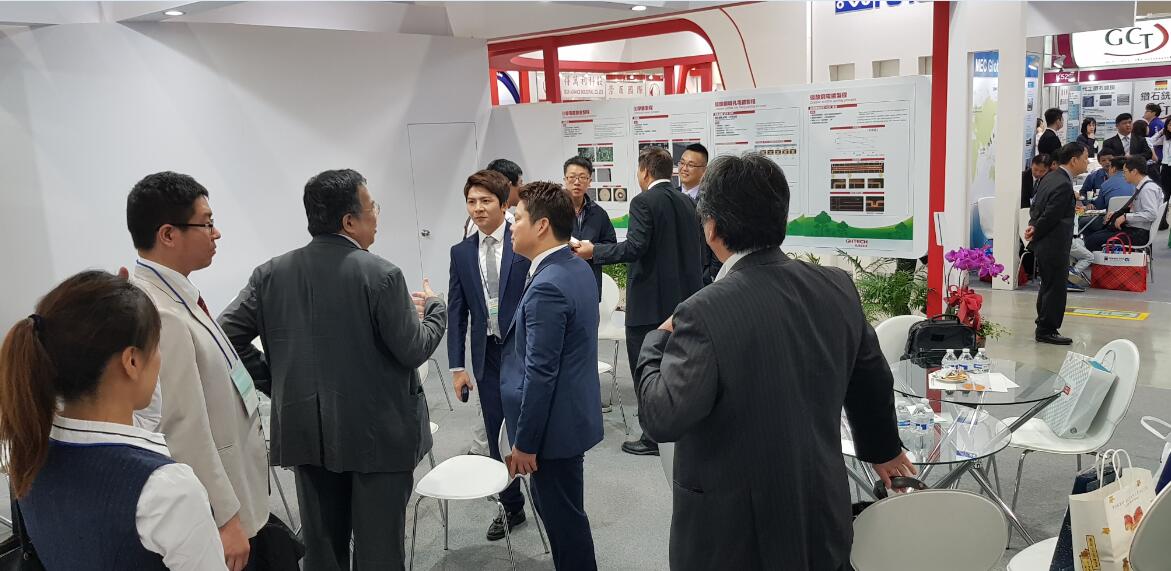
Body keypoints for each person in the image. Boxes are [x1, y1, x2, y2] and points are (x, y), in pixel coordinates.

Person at [634, 153, 913, 571]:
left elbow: (662, 417)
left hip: (731, 533)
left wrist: (655, 341)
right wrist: (884, 450)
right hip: (820, 508)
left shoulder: (702, 311)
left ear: (711, 227)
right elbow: (871, 379)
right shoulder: (836, 286)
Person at [218, 169, 447, 570]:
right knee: (378, 552)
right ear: (349, 221)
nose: (376, 215)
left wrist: (277, 381)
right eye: (372, 207)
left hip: (307, 433)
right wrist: (435, 309)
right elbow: (413, 349)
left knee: (323, 550)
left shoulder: (270, 274)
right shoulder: (382, 275)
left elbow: (224, 336)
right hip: (378, 436)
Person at [0, 270, 227, 570]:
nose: (160, 358)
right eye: (156, 346)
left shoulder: (28, 448)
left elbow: (142, 417)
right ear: (131, 361)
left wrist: (128, 309)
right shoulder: (168, 491)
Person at [125, 171, 268, 571]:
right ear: (168, 234)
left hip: (238, 477)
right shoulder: (161, 313)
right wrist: (224, 518)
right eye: (206, 223)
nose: (216, 233)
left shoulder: (178, 294)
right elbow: (184, 428)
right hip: (223, 502)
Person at [572, 147, 703, 457]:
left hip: (648, 305)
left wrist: (594, 252)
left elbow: (635, 247)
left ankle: (653, 437)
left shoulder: (644, 201)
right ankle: (677, 430)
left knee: (646, 370)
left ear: (644, 171)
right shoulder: (687, 202)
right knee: (676, 369)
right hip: (683, 301)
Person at [502, 181, 603, 570]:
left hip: (553, 429)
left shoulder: (548, 285)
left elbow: (541, 373)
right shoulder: (574, 266)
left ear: (542, 225)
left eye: (518, 218)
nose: (512, 225)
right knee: (565, 516)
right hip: (571, 415)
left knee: (564, 525)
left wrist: (525, 443)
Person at [447, 169, 531, 541]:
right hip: (489, 355)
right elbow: (457, 310)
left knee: (533, 424)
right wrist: (457, 366)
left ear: (502, 202)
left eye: (486, 201)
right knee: (497, 431)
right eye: (471, 202)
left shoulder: (522, 239)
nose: (478, 208)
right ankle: (511, 505)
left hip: (525, 350)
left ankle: (546, 496)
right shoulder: (462, 252)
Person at [1027, 142, 1088, 345]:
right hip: (1054, 243)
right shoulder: (1062, 183)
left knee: (1048, 285)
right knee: (1055, 288)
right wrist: (1036, 228)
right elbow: (1051, 214)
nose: (1087, 163)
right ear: (1074, 160)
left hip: (1045, 242)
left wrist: (1033, 225)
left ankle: (1044, 325)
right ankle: (1047, 330)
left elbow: (1036, 207)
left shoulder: (1050, 177)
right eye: (1085, 159)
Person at [1084, 156, 1165, 252]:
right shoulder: (1143, 186)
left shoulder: (1148, 189)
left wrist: (1125, 217)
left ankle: (1107, 260)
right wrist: (1116, 213)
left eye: (1125, 172)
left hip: (1139, 234)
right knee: (1096, 235)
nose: (1123, 175)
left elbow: (1151, 214)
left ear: (1134, 171)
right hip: (1136, 229)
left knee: (1092, 240)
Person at [562, 156, 617, 295]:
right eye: (572, 177)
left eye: (582, 177)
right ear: (565, 180)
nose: (577, 182)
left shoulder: (599, 214)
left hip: (590, 284)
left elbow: (611, 245)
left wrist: (593, 251)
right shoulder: (554, 211)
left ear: (589, 182)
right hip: (561, 281)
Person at [677, 143, 722, 284]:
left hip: (701, 278)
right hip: (673, 277)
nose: (684, 168)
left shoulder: (713, 199)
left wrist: (710, 275)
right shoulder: (669, 196)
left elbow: (718, 240)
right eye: (682, 163)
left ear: (704, 171)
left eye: (690, 165)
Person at [465, 158, 523, 237]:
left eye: (485, 201)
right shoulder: (508, 219)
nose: (478, 209)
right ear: (508, 186)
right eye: (520, 183)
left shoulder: (472, 221)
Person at [1144, 119, 1171, 229]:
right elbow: (1150, 141)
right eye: (1169, 124)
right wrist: (1160, 132)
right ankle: (1161, 222)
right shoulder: (1165, 138)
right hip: (1166, 169)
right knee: (1165, 196)